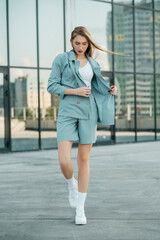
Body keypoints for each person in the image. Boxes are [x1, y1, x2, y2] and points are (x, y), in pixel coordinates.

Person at [47, 26, 118, 225]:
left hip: (89, 113)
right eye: (77, 43)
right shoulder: (62, 59)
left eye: (84, 43)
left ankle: (80, 209)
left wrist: (110, 90)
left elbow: (98, 88)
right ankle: (71, 184)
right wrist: (75, 91)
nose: (80, 47)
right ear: (72, 42)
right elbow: (52, 85)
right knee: (64, 161)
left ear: (88, 44)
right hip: (68, 112)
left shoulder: (94, 64)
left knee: (83, 161)